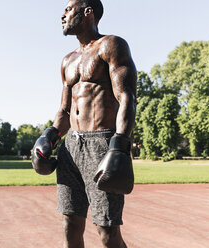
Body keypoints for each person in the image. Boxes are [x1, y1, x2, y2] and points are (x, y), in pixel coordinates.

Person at [32, 0, 137, 247]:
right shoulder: (67, 60)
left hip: (101, 143)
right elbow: (64, 110)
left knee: (106, 230)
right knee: (70, 224)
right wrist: (48, 137)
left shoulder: (111, 45)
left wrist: (119, 144)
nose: (63, 14)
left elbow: (126, 98)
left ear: (87, 12)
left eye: (69, 9)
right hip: (70, 146)